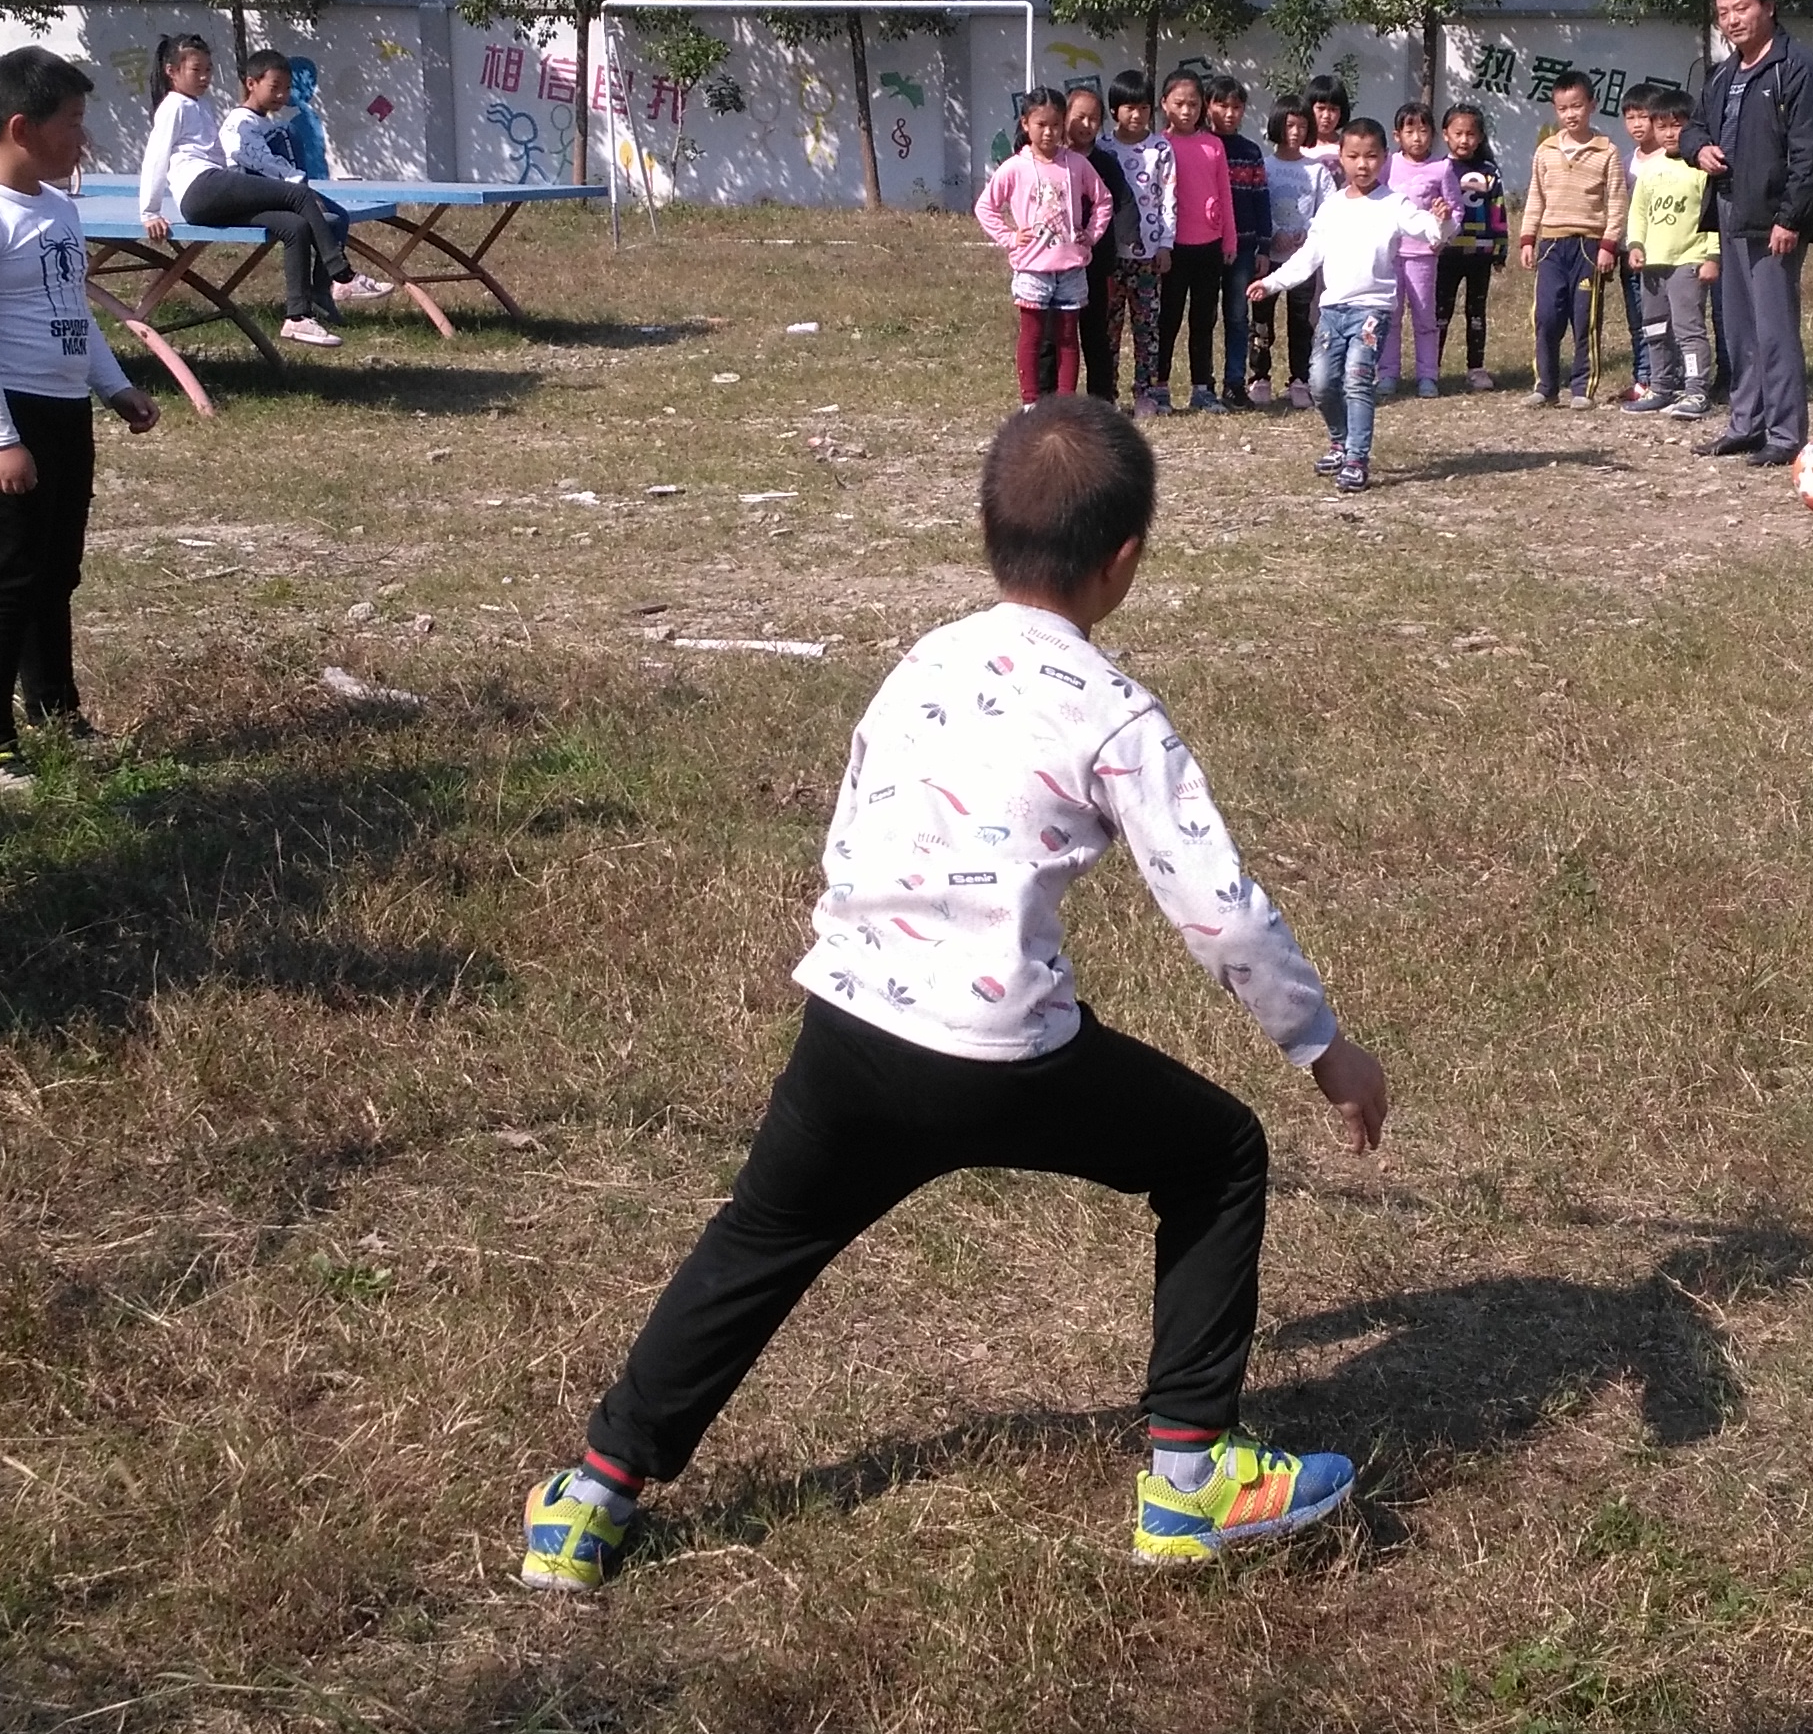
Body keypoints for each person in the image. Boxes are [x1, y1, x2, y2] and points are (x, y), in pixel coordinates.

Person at [521, 399, 1386, 1593]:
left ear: (986, 530)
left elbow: (852, 822)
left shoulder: (922, 659)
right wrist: (1325, 1047)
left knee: (760, 1239)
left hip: (850, 1025)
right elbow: (1220, 910)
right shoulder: (1112, 708)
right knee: (1220, 1153)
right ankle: (1191, 1478)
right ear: (1125, 559)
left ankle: (592, 1496)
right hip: (1000, 1051)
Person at [0, 46, 159, 790]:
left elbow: (76, 311)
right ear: (22, 127)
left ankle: (56, 712)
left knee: (55, 574)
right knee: (8, 577)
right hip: (1, 414)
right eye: (71, 124)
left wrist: (114, 387)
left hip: (64, 411)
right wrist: (0, 438)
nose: (82, 140)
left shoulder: (58, 210)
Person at [1249, 118, 1454, 493]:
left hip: (1372, 312)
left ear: (1385, 158)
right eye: (1354, 156)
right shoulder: (1330, 208)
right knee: (1322, 383)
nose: (1363, 165)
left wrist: (1442, 222)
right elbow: (1308, 256)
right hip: (1332, 313)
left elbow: (1429, 229)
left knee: (1358, 381)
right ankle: (1339, 442)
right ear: (1340, 158)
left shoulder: (1394, 203)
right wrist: (1271, 282)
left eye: (1372, 156)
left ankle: (1358, 459)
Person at [1685, 0, 1813, 469]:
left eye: (1741, 8)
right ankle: (1745, 424)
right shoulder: (1724, 74)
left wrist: (1790, 217)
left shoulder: (1795, 67)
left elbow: (1812, 152)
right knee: (1739, 328)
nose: (1732, 19)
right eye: (1723, 12)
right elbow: (1694, 127)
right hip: (1729, 210)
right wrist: (1698, 149)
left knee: (1774, 329)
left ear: (1769, 6)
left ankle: (1786, 433)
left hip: (1773, 218)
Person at [145, 38, 379, 348]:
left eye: (209, 69)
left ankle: (298, 318)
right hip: (200, 188)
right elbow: (155, 156)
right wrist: (149, 210)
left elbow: (217, 155)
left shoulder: (200, 104)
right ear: (171, 71)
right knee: (298, 195)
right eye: (196, 70)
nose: (204, 77)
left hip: (215, 189)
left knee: (294, 226)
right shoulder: (173, 105)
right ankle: (342, 274)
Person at [974, 85, 1109, 402]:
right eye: (1041, 125)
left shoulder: (1076, 164)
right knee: (1033, 336)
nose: (1049, 133)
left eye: (1056, 125)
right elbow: (986, 207)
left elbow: (1102, 200)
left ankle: (1064, 402)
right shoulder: (1015, 167)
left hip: (1072, 266)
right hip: (1033, 268)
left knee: (1066, 337)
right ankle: (1031, 401)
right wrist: (1009, 237)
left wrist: (1090, 234)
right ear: (1025, 124)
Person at [1516, 69, 1628, 410]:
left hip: (1589, 246)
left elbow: (1617, 202)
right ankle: (1545, 386)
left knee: (1585, 318)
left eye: (1577, 106)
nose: (1570, 114)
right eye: (1563, 108)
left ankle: (1582, 388)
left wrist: (1609, 244)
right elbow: (1535, 196)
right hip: (1551, 243)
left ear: (1592, 105)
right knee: (1547, 316)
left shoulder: (1606, 151)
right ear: (1555, 110)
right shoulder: (1545, 151)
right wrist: (1527, 238)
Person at [1620, 83, 1718, 419]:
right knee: (1655, 327)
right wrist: (1635, 245)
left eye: (1677, 125)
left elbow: (1713, 215)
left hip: (1687, 263)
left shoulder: (1701, 169)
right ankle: (1661, 386)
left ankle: (1696, 390)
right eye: (1661, 126)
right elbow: (1638, 213)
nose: (1669, 133)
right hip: (1653, 266)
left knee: (1689, 329)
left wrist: (1711, 256)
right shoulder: (1649, 169)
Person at [1153, 72, 1236, 411]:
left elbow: (1225, 195)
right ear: (1164, 105)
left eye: (1193, 104)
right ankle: (1159, 386)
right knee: (1167, 319)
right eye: (1179, 104)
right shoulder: (1158, 145)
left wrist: (1228, 239)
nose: (1186, 111)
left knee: (1204, 320)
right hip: (1172, 250)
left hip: (1209, 246)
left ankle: (1202, 387)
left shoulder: (1213, 145)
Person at [1106, 75, 1174, 416]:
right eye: (1129, 108)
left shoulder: (1161, 149)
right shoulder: (1103, 147)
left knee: (1147, 327)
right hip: (1110, 256)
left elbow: (1169, 199)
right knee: (1109, 328)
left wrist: (1165, 244)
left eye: (1144, 108)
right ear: (1114, 110)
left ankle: (1145, 392)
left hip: (1149, 255)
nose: (1137, 115)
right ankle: (1108, 394)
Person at [1382, 105, 1459, 394]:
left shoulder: (1442, 168)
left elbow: (1456, 211)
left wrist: (1444, 227)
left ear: (1433, 135)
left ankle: (1428, 375)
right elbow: (1376, 202)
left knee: (1425, 317)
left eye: (1423, 131)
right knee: (1390, 316)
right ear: (1397, 135)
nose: (1417, 138)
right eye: (1410, 131)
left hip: (1424, 256)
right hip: (1390, 255)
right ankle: (1387, 374)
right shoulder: (1388, 165)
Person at [1435, 102, 1510, 392]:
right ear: (1446, 135)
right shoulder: (1439, 168)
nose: (1464, 140)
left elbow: (1499, 210)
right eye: (1458, 133)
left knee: (1476, 311)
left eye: (1470, 134)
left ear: (1479, 137)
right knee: (1441, 312)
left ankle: (1476, 367)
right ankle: (1432, 368)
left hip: (1480, 253)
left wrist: (1500, 248)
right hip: (1447, 253)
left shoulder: (1490, 172)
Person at [1208, 80, 1272, 407]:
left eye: (1236, 107)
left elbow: (1261, 200)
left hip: (1245, 247)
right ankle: (1202, 384)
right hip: (1203, 246)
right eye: (1222, 106)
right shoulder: (1202, 146)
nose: (1229, 114)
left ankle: (1234, 382)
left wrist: (1264, 246)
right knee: (1203, 318)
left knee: (1237, 315)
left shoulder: (1249, 152)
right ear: (1209, 107)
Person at [1252, 99, 1319, 405]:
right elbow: (1258, 205)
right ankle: (1259, 376)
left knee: (1301, 321)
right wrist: (1273, 232)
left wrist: (1310, 231)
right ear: (1277, 125)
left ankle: (1300, 379)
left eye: (1302, 126)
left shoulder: (1316, 170)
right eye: (1290, 125)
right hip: (1269, 259)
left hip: (1303, 260)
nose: (1295, 132)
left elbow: (1328, 208)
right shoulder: (1265, 165)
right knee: (1262, 321)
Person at [1063, 84, 1128, 402]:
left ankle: (1101, 400)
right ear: (1065, 117)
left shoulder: (1106, 163)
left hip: (1096, 260)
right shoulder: (1052, 160)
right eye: (1080, 117)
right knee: (1059, 335)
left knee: (1096, 334)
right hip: (1055, 263)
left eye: (1094, 119)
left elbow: (1119, 205)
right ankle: (1056, 399)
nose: (1087, 125)